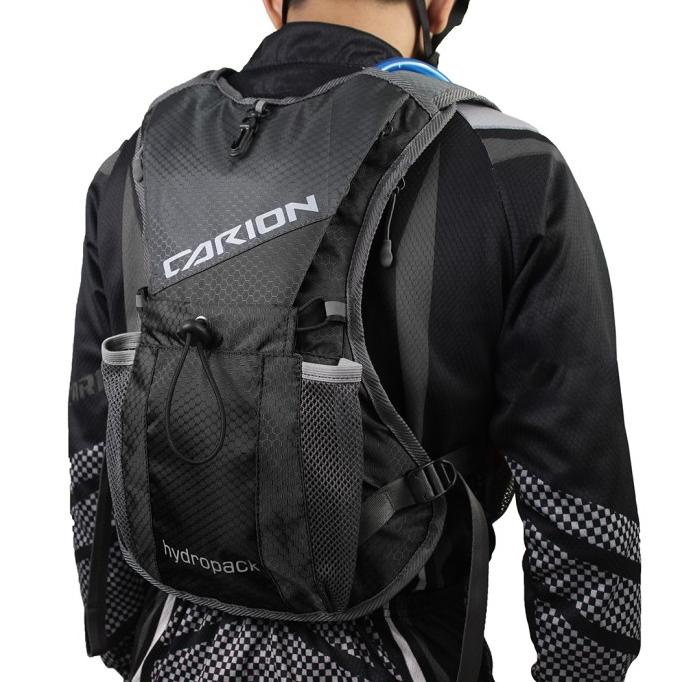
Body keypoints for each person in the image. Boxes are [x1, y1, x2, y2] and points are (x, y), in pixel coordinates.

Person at [68, 1, 641, 680]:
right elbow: (580, 495)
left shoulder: (134, 165)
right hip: (404, 654)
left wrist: (128, 642)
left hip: (175, 656)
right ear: (439, 5)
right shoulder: (508, 165)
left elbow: (97, 452)